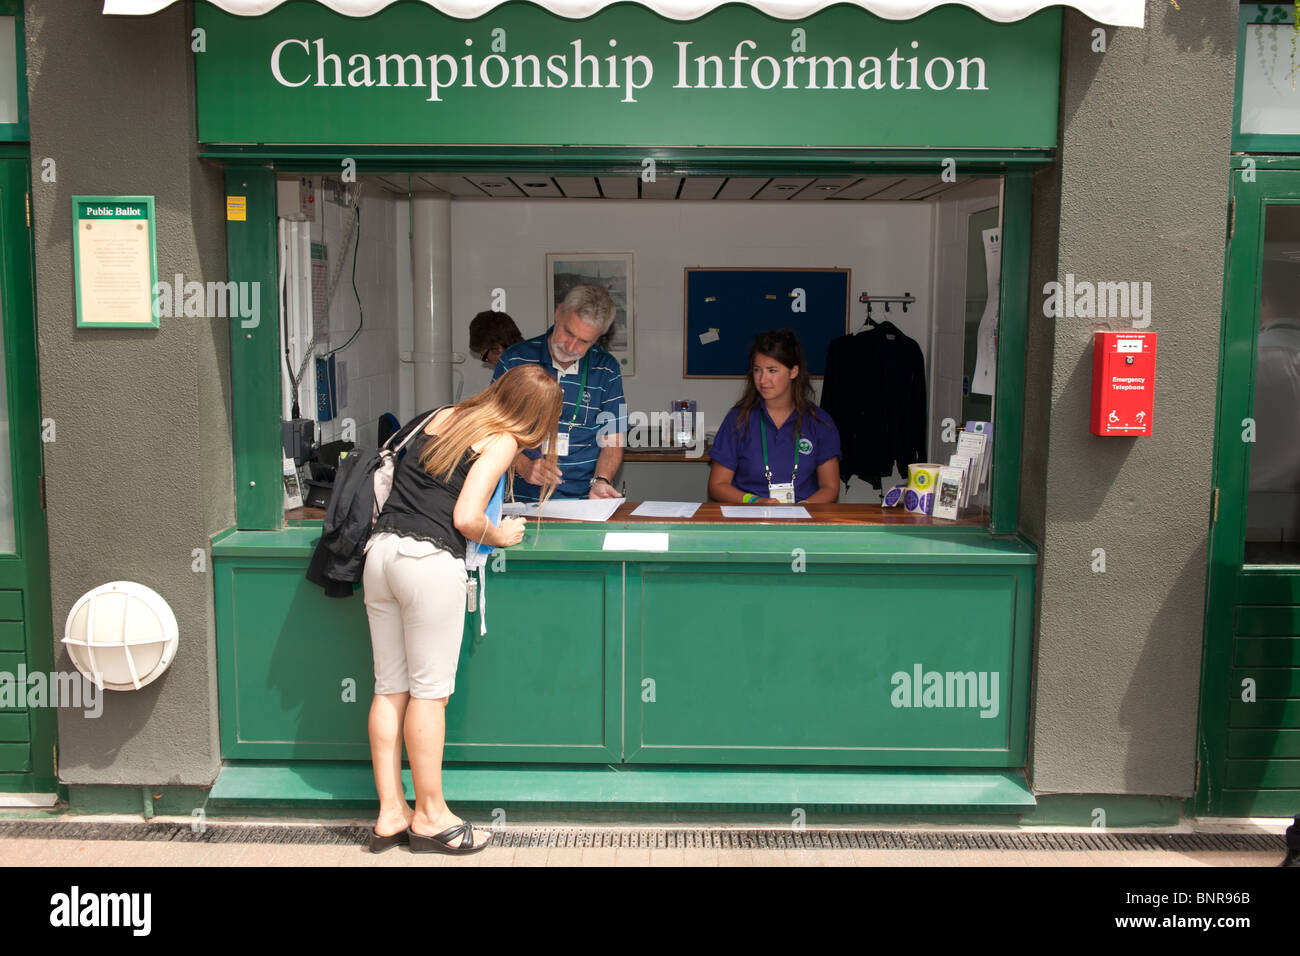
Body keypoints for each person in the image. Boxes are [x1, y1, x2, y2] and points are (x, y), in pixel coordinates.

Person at [362, 364, 562, 855]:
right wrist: (502, 533)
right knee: (430, 696)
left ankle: (392, 811)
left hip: (381, 555)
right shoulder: (502, 441)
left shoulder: (442, 415)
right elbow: (467, 517)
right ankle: (430, 817)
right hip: (428, 564)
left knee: (390, 688)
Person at [492, 284, 626, 500]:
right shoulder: (515, 359)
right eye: (568, 332)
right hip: (518, 501)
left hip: (583, 502)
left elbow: (613, 438)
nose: (571, 346)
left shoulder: (606, 368)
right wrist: (524, 466)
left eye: (584, 341)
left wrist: (601, 480)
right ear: (558, 313)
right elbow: (492, 431)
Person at [708, 328, 841, 505]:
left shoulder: (819, 422)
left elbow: (830, 487)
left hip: (802, 521)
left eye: (772, 370)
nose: (762, 380)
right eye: (757, 370)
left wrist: (804, 508)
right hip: (749, 519)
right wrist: (755, 501)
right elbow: (717, 485)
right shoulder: (738, 419)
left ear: (793, 372)